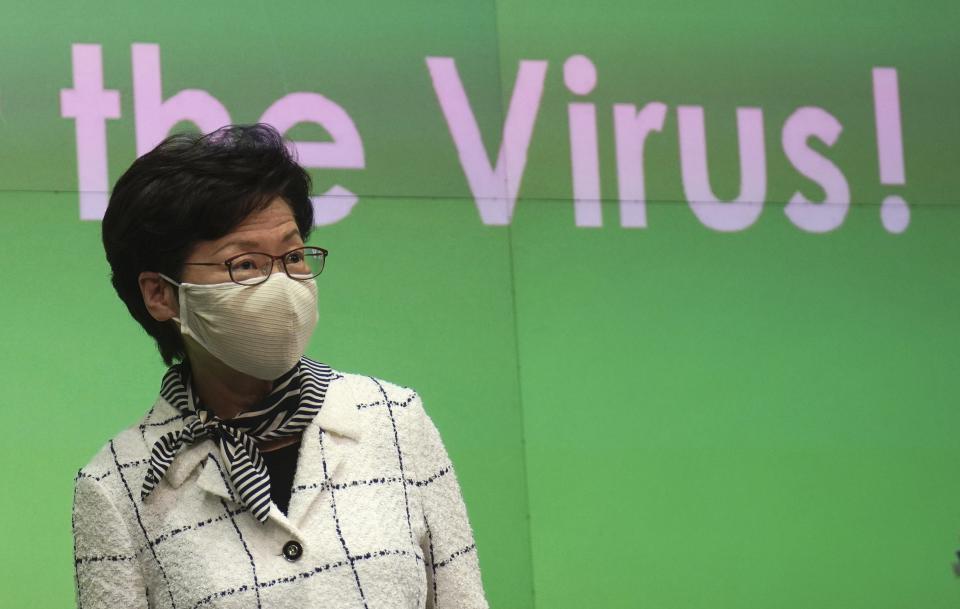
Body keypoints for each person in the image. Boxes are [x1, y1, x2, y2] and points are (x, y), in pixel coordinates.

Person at [72, 124, 489, 609]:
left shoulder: (393, 419)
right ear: (160, 294)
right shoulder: (119, 484)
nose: (282, 285)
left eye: (292, 255)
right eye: (244, 264)